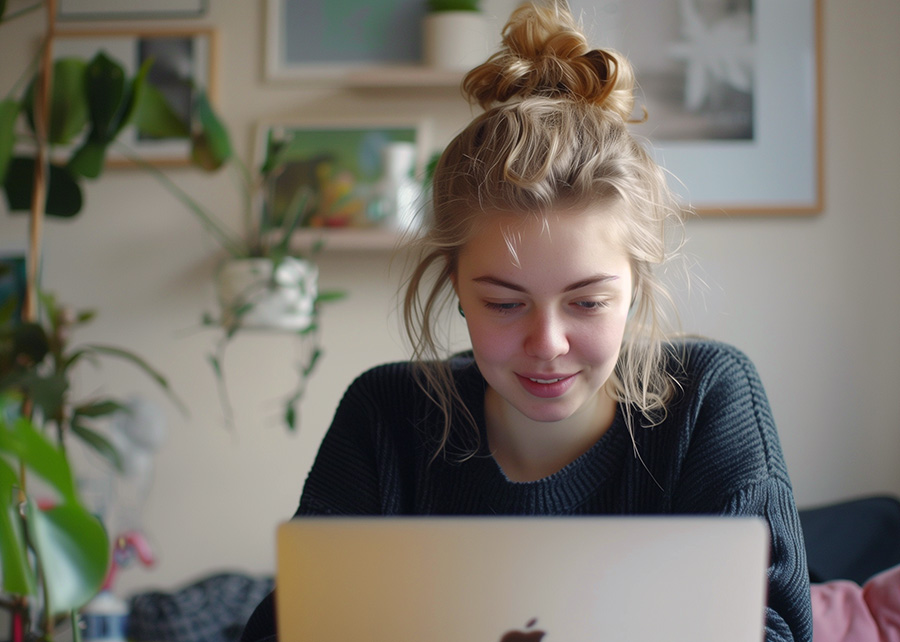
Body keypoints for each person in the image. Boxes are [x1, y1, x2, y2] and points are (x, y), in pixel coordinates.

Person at [240, 2, 812, 640]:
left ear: (636, 288)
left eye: (588, 301)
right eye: (505, 303)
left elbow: (774, 629)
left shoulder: (707, 399)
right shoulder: (386, 413)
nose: (547, 344)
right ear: (456, 285)